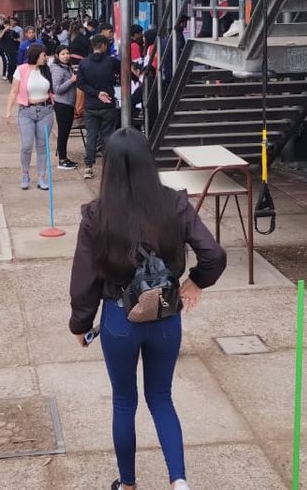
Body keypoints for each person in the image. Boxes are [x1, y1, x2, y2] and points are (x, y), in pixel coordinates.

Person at [68, 128, 226, 490]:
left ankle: (128, 484)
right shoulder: (174, 204)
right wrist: (197, 280)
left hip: (119, 319)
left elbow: (84, 279)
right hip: (166, 319)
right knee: (161, 397)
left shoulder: (96, 215)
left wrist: (81, 323)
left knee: (124, 401)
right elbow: (213, 253)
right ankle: (179, 481)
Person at [5, 44, 55, 191]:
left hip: (46, 110)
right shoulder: (21, 69)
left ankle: (41, 176)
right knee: (26, 145)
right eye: (43, 55)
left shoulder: (47, 70)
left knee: (42, 146)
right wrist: (8, 110)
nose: (45, 58)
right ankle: (25, 174)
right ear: (36, 55)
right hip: (26, 111)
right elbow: (14, 91)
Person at [78, 32, 121, 180]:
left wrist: (96, 93)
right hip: (108, 103)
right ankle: (109, 166)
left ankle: (88, 166)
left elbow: (80, 84)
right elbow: (123, 72)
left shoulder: (84, 63)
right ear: (103, 46)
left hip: (91, 104)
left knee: (91, 136)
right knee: (108, 135)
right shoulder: (111, 61)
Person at [50, 46, 80, 171]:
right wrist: (72, 80)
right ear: (57, 55)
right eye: (63, 54)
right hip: (62, 104)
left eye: (67, 53)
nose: (66, 56)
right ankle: (62, 160)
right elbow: (57, 89)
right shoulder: (57, 69)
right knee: (63, 132)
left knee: (66, 132)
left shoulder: (66, 67)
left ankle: (64, 157)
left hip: (69, 103)